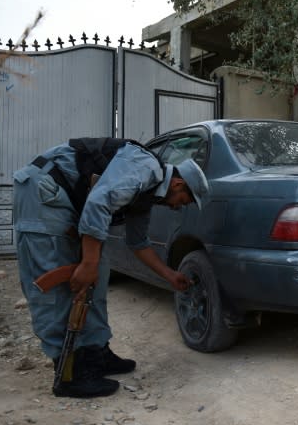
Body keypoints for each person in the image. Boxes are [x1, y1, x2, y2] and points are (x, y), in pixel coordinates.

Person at [13, 137, 209, 398]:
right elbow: (99, 202)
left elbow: (138, 243)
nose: (177, 208)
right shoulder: (146, 167)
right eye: (183, 200)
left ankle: (95, 354)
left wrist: (170, 276)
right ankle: (69, 375)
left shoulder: (147, 194)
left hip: (70, 200)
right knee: (56, 285)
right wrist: (87, 263)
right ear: (177, 183)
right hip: (44, 191)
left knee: (98, 276)